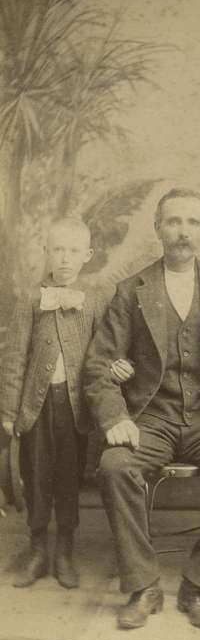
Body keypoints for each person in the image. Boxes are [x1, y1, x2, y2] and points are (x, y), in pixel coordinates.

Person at [83, 188, 200, 631]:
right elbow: (99, 365)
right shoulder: (132, 291)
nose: (183, 231)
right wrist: (116, 417)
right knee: (114, 465)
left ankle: (198, 584)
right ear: (158, 229)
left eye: (192, 223)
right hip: (151, 418)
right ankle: (143, 585)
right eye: (174, 222)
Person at [0, 218, 108, 589]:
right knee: (36, 475)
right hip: (37, 405)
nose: (64, 259)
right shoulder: (31, 300)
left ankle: (64, 549)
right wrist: (9, 412)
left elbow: (101, 355)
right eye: (57, 250)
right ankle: (37, 549)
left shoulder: (92, 301)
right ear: (46, 252)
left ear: (87, 255)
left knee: (68, 477)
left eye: (73, 251)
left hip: (75, 408)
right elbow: (14, 357)